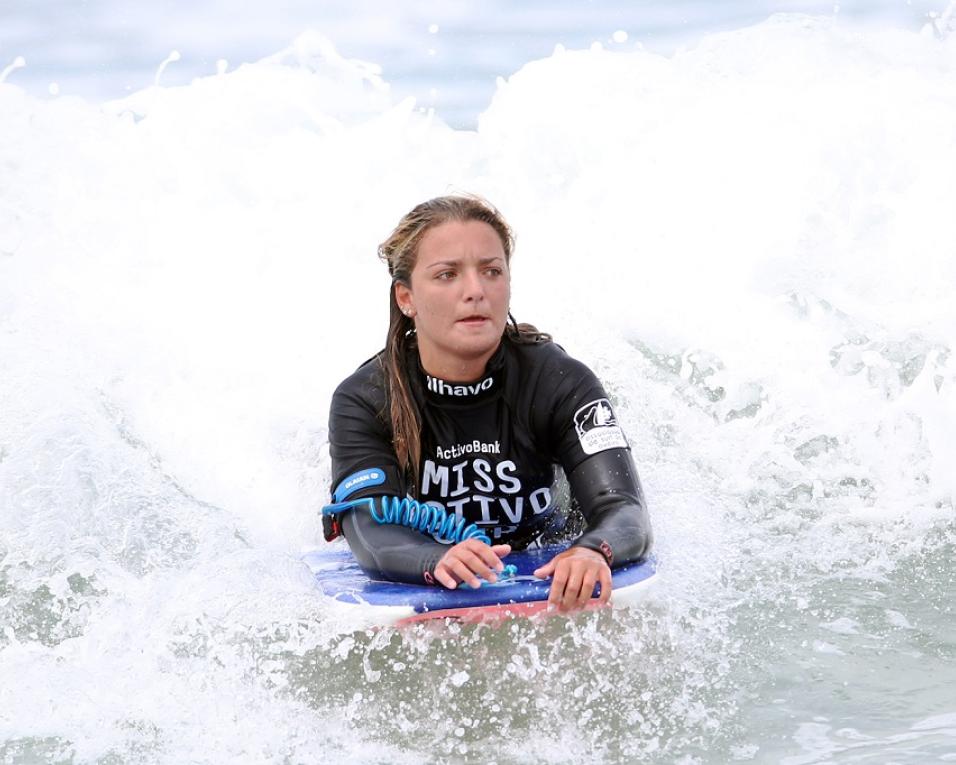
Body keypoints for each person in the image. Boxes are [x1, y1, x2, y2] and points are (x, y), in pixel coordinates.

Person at [325, 195, 652, 613]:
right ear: (406, 298)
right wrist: (433, 558)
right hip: (430, 570)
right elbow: (370, 533)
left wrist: (592, 551)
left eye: (491, 271)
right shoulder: (365, 400)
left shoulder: (561, 383)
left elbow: (625, 511)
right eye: (447, 275)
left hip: (547, 555)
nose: (476, 291)